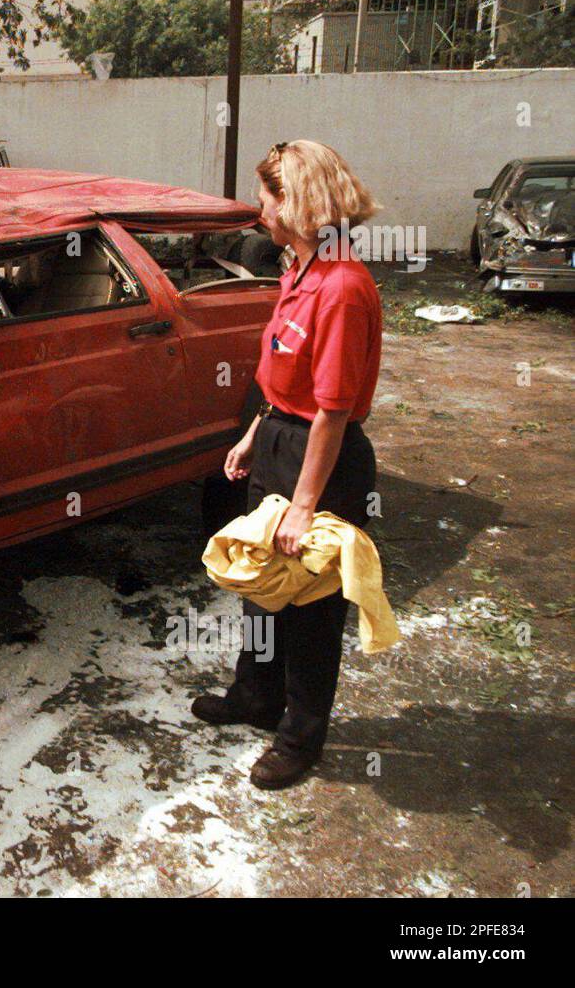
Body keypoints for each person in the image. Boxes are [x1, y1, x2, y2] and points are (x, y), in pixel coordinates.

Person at [193, 140, 382, 789]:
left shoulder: (342, 287)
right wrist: (256, 430)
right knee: (264, 586)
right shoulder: (298, 270)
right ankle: (256, 695)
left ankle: (301, 736)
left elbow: (331, 410)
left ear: (298, 202)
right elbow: (290, 379)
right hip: (280, 436)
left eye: (268, 195)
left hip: (322, 461)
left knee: (310, 607)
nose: (259, 207)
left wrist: (304, 505)